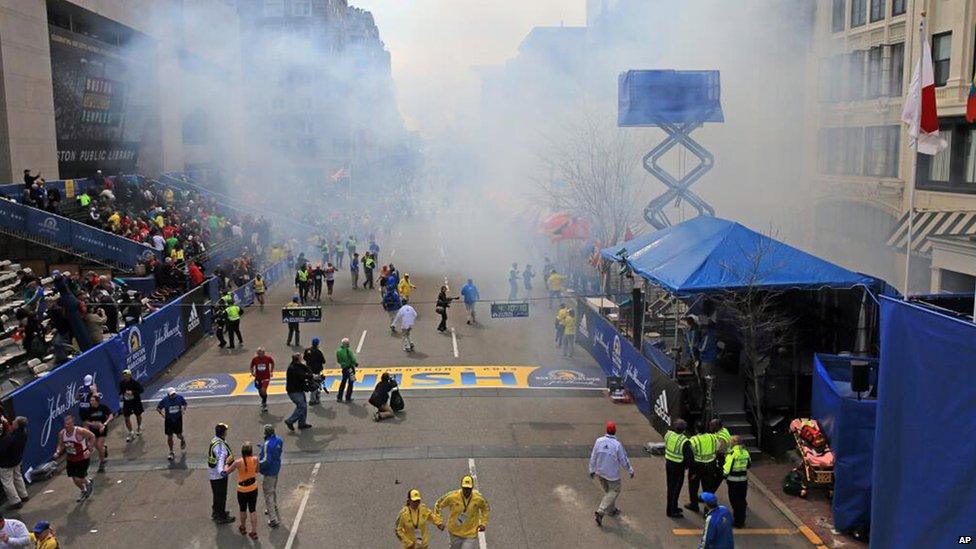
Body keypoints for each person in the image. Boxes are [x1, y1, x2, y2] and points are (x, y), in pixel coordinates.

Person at [588, 421, 634, 527]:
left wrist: (592, 470)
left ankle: (612, 509)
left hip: (600, 472)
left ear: (606, 431)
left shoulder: (598, 441)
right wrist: (630, 470)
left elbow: (593, 456)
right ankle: (601, 511)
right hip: (612, 475)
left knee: (608, 491)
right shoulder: (617, 445)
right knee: (614, 491)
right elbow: (623, 460)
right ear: (615, 431)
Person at [434, 476, 490, 549]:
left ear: (472, 488)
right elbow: (438, 505)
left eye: (469, 489)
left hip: (470, 533)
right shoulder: (452, 496)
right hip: (454, 532)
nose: (466, 491)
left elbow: (486, 508)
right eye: (465, 488)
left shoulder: (478, 498)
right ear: (461, 487)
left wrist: (483, 523)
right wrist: (438, 522)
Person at [52, 414, 95, 502]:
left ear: (73, 423)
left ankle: (88, 483)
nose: (67, 426)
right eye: (65, 424)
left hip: (82, 458)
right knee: (74, 479)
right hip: (71, 459)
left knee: (79, 478)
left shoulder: (80, 431)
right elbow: (60, 445)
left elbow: (92, 436)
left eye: (69, 424)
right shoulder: (62, 433)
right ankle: (83, 490)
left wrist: (89, 449)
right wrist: (57, 452)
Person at [225, 442, 260, 540]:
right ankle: (254, 532)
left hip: (242, 490)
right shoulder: (255, 459)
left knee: (242, 509)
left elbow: (226, 471)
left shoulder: (238, 462)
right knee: (252, 510)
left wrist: (227, 463)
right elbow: (257, 471)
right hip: (253, 488)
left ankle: (243, 527)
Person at [685, 428, 720, 514]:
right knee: (708, 487)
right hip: (710, 466)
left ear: (696, 430)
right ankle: (707, 510)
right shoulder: (713, 437)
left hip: (697, 466)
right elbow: (718, 447)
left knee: (693, 486)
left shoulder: (694, 439)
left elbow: (690, 452)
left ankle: (694, 504)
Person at [663, 419, 693, 518]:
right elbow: (689, 458)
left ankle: (673, 507)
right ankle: (671, 511)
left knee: (671, 488)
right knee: (675, 489)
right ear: (684, 430)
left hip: (669, 464)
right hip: (678, 467)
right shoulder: (684, 441)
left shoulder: (668, 434)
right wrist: (687, 467)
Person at [208, 423, 235, 524]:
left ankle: (216, 512)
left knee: (216, 495)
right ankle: (221, 515)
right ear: (223, 433)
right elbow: (220, 462)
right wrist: (223, 471)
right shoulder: (220, 447)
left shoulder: (215, 440)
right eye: (226, 431)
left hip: (213, 474)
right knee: (221, 495)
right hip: (218, 476)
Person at [0, 417, 29, 509]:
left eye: (14, 421)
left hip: (6, 463)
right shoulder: (23, 433)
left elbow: (1, 450)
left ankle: (15, 501)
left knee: (7, 482)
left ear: (16, 425)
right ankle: (24, 495)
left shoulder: (10, 438)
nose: (12, 422)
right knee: (18, 477)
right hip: (17, 460)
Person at [723, 436, 751, 528]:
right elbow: (749, 465)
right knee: (742, 500)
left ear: (734, 443)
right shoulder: (745, 452)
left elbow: (727, 470)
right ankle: (741, 520)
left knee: (734, 501)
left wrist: (723, 474)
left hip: (733, 481)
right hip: (743, 480)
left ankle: (737, 521)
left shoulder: (732, 453)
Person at [79, 394, 113, 473]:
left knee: (99, 445)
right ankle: (104, 449)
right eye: (90, 401)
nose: (91, 402)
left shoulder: (103, 407)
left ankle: (102, 463)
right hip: (93, 431)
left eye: (93, 400)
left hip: (102, 429)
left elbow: (111, 415)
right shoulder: (88, 410)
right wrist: (93, 424)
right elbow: (85, 421)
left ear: (97, 401)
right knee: (97, 447)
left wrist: (104, 424)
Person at [259, 424, 283, 528]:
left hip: (269, 472)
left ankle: (273, 519)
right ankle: (274, 506)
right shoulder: (279, 440)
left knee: (268, 493)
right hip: (276, 468)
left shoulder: (267, 444)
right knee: (273, 489)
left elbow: (266, 460)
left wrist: (258, 466)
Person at [156, 387, 187, 461]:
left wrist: (183, 409)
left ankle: (182, 440)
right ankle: (171, 452)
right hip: (169, 420)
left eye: (174, 394)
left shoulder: (180, 398)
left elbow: (185, 404)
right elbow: (158, 408)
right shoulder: (165, 400)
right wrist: (162, 414)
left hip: (178, 420)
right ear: (168, 395)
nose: (173, 396)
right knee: (169, 437)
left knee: (179, 435)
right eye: (171, 394)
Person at [284, 353, 313, 432]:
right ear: (298, 359)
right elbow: (302, 375)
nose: (302, 359)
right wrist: (311, 376)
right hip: (294, 391)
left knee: (303, 406)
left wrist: (310, 372)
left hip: (299, 390)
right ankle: (290, 421)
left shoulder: (298, 365)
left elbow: (306, 368)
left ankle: (302, 423)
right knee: (302, 406)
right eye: (300, 358)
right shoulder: (293, 368)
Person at [118, 369, 144, 441]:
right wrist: (121, 395)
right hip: (127, 403)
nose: (124, 377)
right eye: (123, 376)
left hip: (135, 402)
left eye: (126, 375)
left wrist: (132, 392)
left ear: (129, 376)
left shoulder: (135, 383)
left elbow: (141, 390)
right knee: (126, 418)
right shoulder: (122, 383)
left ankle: (139, 427)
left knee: (138, 415)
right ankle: (131, 432)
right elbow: (121, 391)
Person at [303, 339, 327, 404]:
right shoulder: (318, 352)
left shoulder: (307, 350)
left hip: (309, 370)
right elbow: (323, 361)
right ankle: (315, 399)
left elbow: (304, 358)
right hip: (316, 370)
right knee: (317, 384)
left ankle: (313, 398)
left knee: (311, 383)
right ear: (317, 344)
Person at [711, 418, 733, 490]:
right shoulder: (723, 430)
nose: (710, 427)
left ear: (717, 426)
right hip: (725, 457)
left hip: (722, 459)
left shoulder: (721, 438)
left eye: (712, 426)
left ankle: (710, 493)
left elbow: (720, 452)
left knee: (717, 478)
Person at [336, 337, 358, 402]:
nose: (349, 344)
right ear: (346, 344)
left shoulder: (338, 351)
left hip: (344, 368)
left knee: (343, 382)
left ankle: (339, 397)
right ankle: (348, 397)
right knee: (351, 383)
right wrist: (355, 363)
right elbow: (353, 359)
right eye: (348, 343)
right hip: (350, 368)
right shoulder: (348, 351)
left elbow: (338, 360)